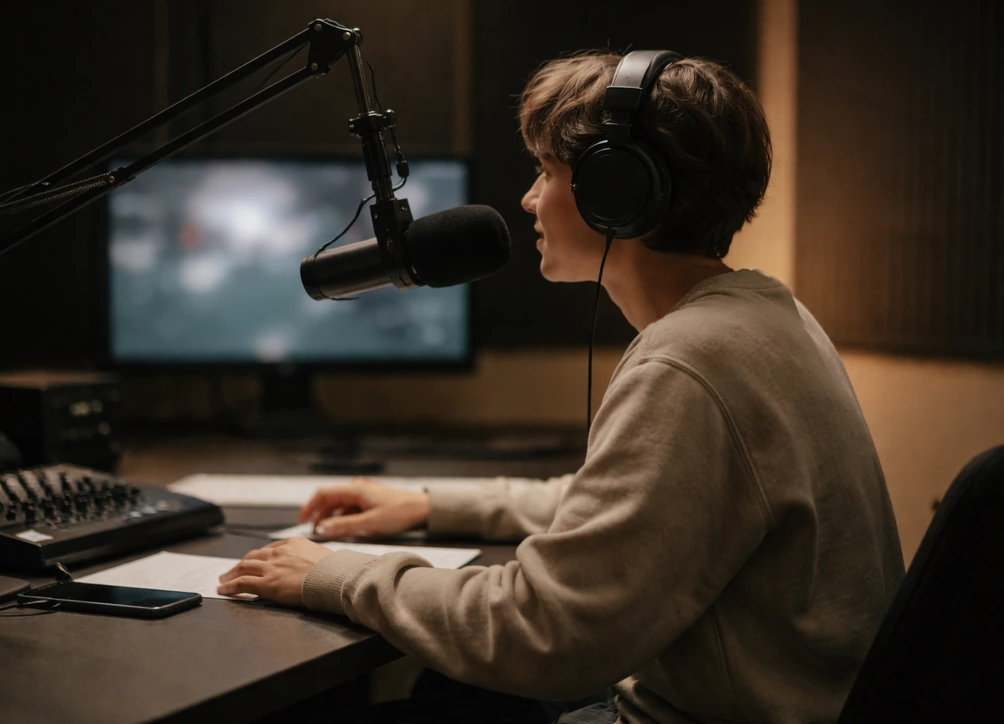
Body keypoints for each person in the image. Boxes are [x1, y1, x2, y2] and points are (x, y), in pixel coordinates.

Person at [218, 49, 905, 724]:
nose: (527, 198)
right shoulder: (766, 316)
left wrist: (333, 575)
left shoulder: (689, 362)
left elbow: (545, 631)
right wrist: (426, 503)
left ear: (618, 193)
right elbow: (626, 515)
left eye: (545, 170)